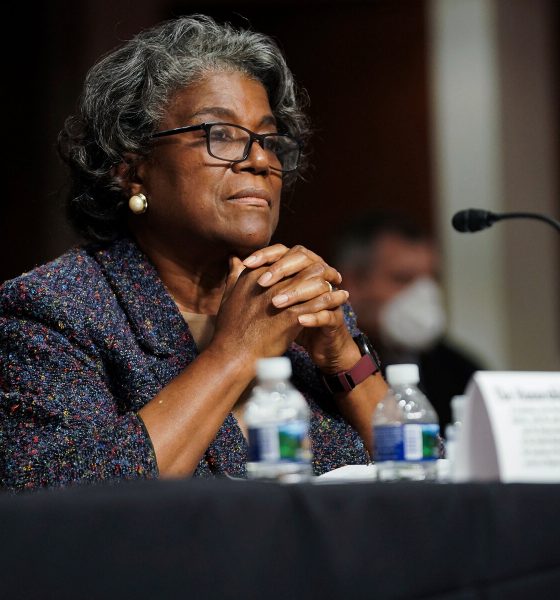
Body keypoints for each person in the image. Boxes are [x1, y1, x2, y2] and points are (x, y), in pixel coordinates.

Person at [0, 14, 388, 491]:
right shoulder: (54, 311)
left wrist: (344, 360)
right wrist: (234, 354)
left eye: (268, 140)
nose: (259, 160)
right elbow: (63, 503)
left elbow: (430, 484)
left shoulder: (296, 301)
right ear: (132, 170)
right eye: (220, 134)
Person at [331, 210, 483, 431]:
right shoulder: (325, 368)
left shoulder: (462, 373)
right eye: (403, 278)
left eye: (432, 278)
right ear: (353, 282)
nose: (423, 293)